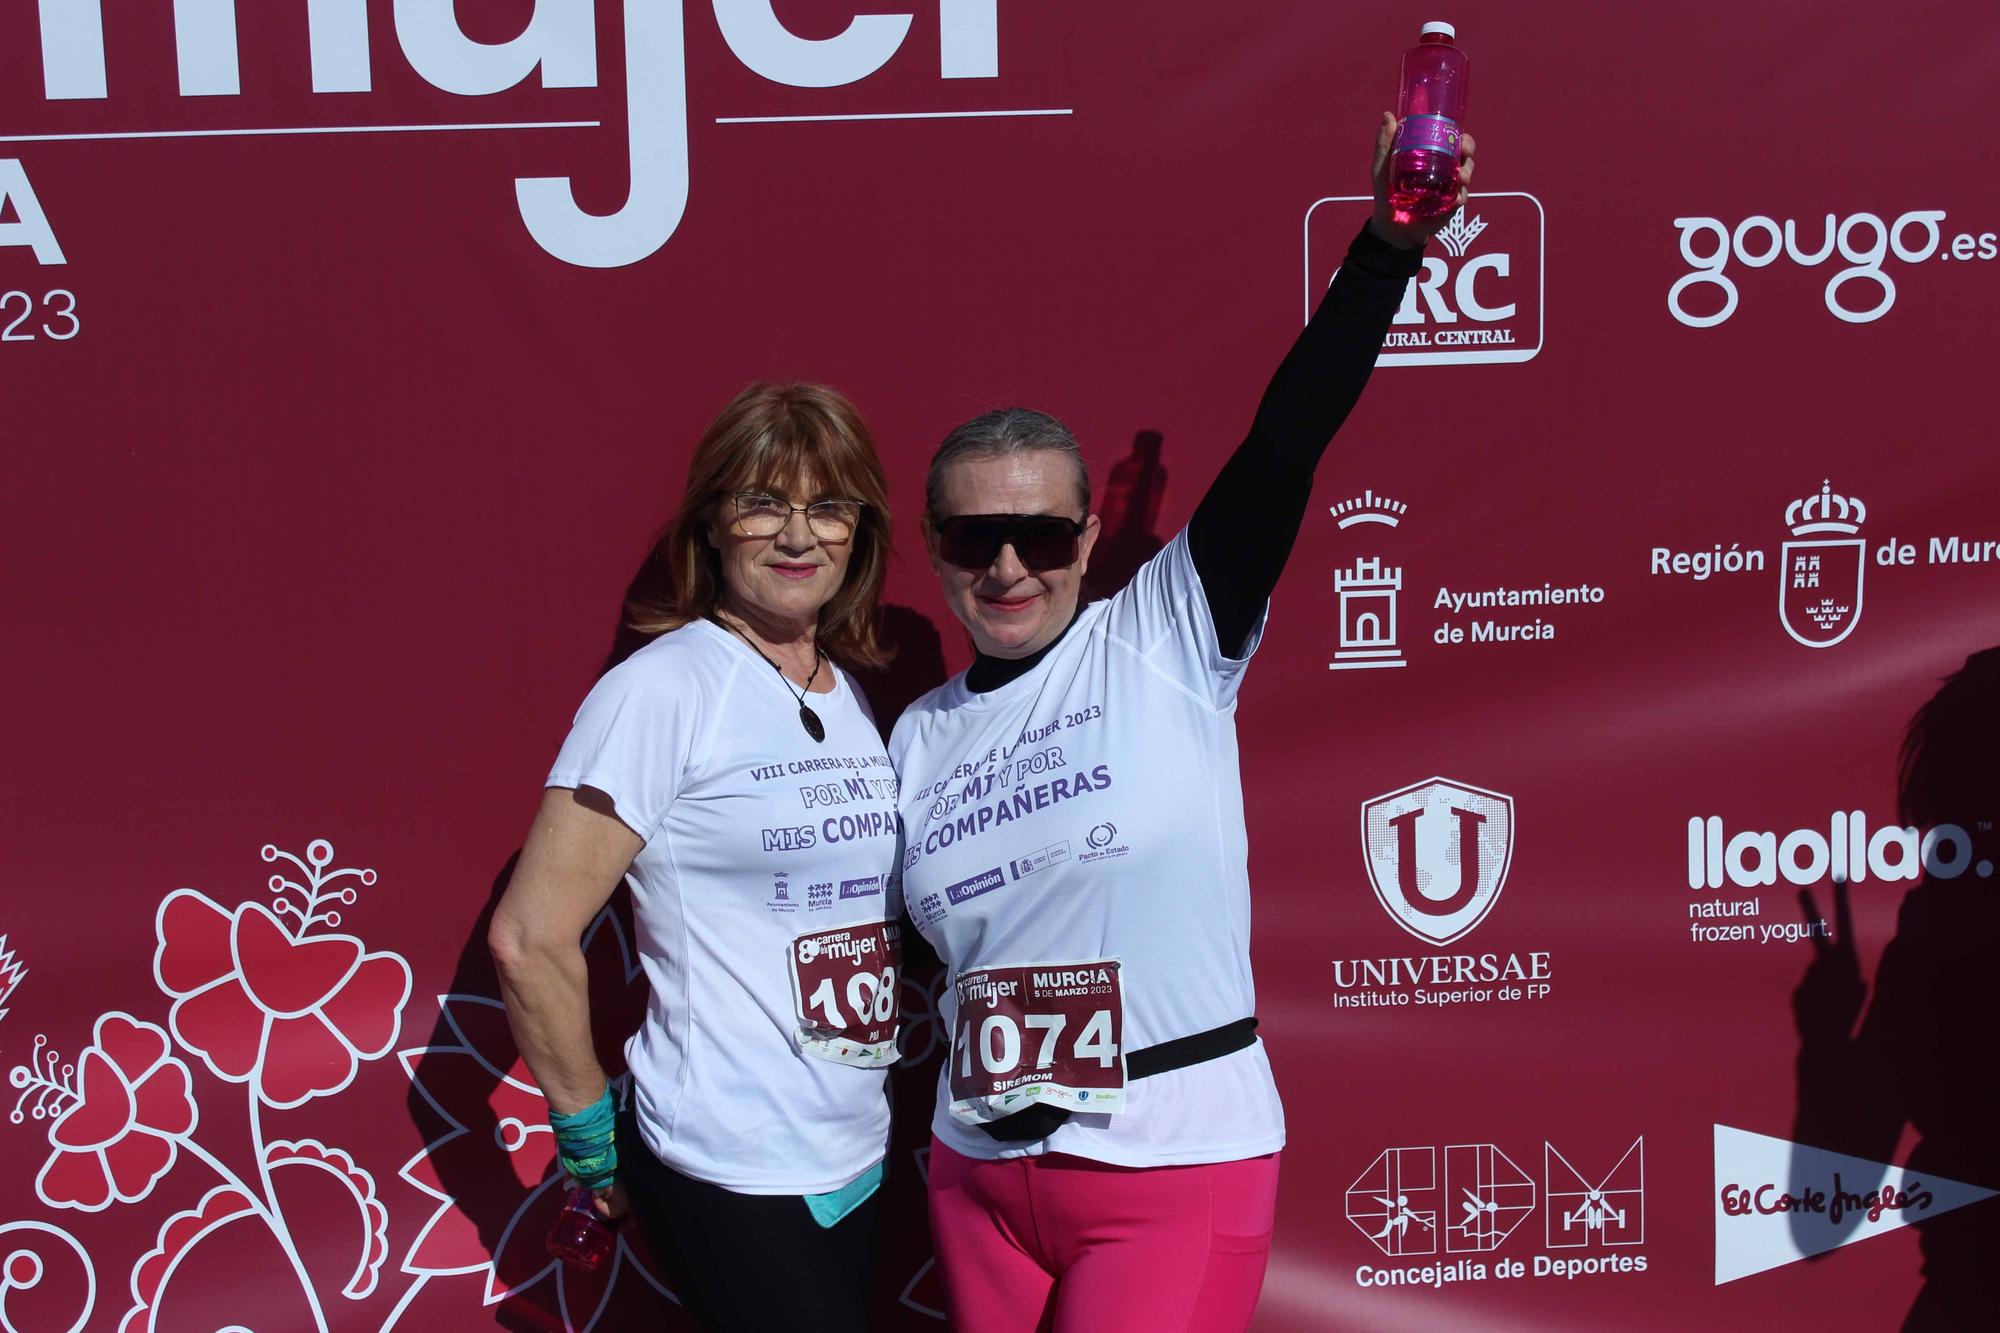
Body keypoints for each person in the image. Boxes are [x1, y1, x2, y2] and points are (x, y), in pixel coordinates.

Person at [886, 116, 1474, 1330]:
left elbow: (1284, 445)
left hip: (1169, 1164)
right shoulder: (914, 737)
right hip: (977, 1176)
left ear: (1086, 543)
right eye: (971, 539)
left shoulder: (1163, 634)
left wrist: (1383, 250)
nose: (1007, 566)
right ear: (934, 553)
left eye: (1040, 535)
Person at [488, 382, 905, 1333]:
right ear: (714, 522)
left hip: (852, 1149)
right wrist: (593, 1148)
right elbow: (528, 935)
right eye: (764, 501)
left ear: (861, 530)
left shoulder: (847, 695)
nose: (799, 536)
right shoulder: (664, 689)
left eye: (828, 505)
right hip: (726, 1158)